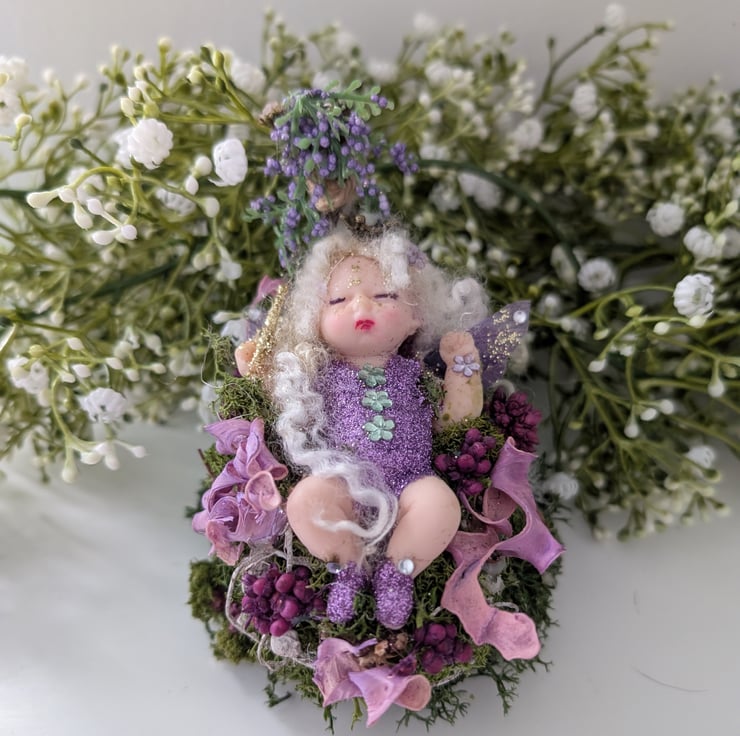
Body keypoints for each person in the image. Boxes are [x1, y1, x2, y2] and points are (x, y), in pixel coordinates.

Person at [235, 222, 489, 629]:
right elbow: (280, 398)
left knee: (440, 504)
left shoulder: (417, 374)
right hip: (343, 480)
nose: (361, 308)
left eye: (384, 296)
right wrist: (257, 371)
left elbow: (454, 421)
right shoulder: (319, 375)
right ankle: (347, 567)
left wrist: (462, 371)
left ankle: (398, 571)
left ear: (415, 316)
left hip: (410, 481)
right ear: (315, 321)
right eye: (339, 300)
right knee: (305, 499)